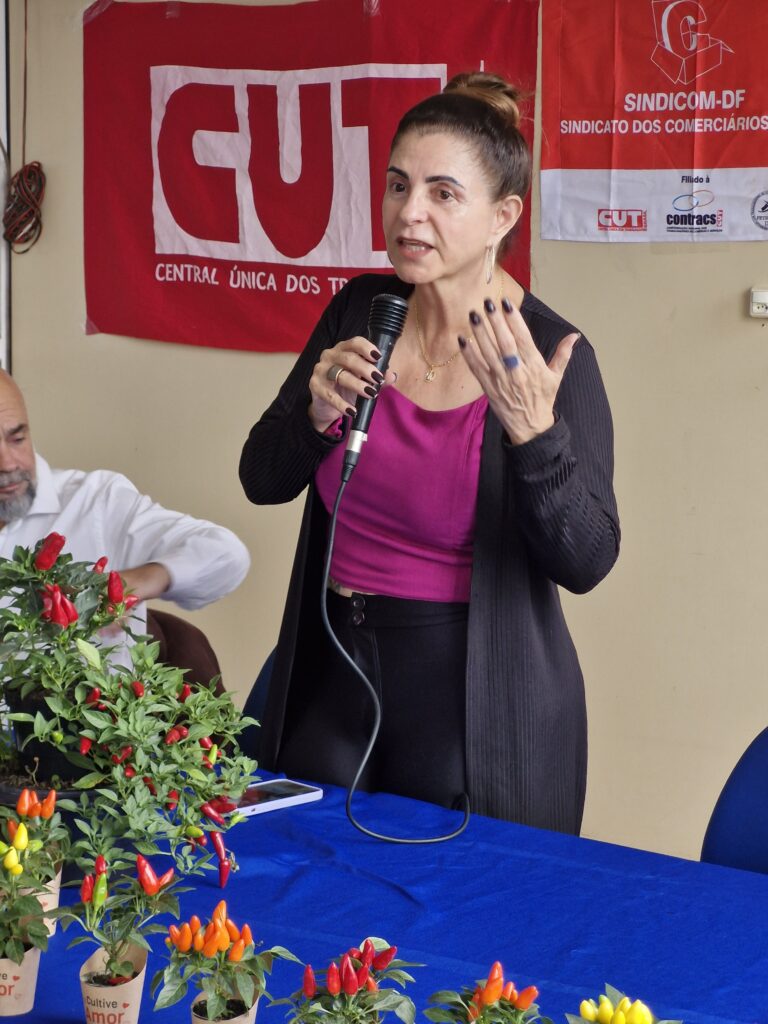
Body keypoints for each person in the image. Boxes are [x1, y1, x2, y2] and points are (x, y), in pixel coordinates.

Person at [239, 72, 620, 833]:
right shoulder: (360, 309)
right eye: (397, 185)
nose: (409, 212)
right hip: (333, 667)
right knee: (301, 881)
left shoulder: (549, 353)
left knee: (454, 904)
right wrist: (314, 416)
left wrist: (535, 437)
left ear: (502, 216)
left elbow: (588, 560)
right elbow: (262, 478)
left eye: (443, 194)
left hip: (472, 701)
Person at [0, 369, 251, 641]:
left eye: (18, 439)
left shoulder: (96, 500)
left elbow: (226, 555)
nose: (8, 464)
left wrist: (130, 583)